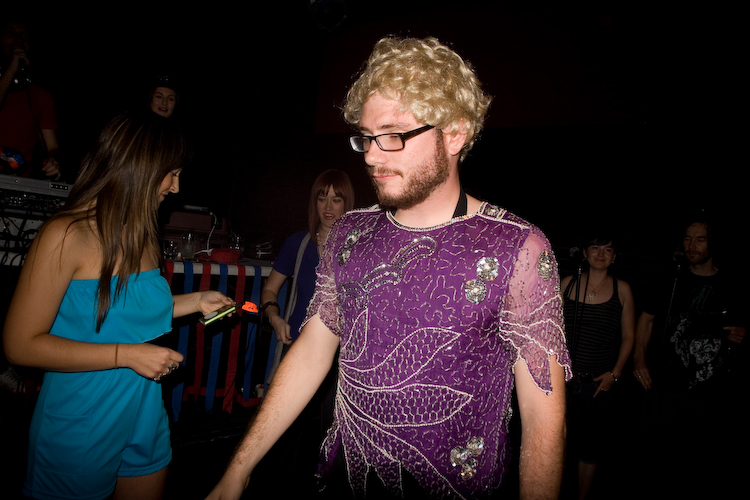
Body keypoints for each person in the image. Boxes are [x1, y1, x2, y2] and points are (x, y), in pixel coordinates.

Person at [207, 36, 571, 500]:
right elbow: (313, 349)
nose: (372, 156)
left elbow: (544, 421)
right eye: (366, 137)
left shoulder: (518, 248)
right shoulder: (349, 233)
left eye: (394, 135)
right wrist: (239, 469)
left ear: (454, 133)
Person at [2, 112, 234, 500]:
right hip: (82, 416)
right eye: (171, 173)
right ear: (140, 166)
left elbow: (127, 313)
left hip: (144, 408)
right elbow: (19, 345)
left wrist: (196, 301)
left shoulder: (143, 235)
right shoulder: (66, 235)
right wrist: (126, 355)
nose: (176, 187)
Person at [632, 211, 747, 498]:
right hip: (667, 387)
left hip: (709, 393)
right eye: (687, 239)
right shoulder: (670, 279)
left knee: (697, 466)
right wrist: (640, 360)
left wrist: (741, 334)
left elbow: (740, 328)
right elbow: (646, 318)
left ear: (712, 243)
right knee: (656, 462)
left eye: (700, 239)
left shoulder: (730, 283)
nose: (691, 245)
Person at [255, 169, 354, 497]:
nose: (328, 206)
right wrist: (274, 317)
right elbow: (269, 290)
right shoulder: (298, 243)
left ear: (347, 203)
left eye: (336, 199)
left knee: (332, 439)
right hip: (297, 349)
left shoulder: (357, 248)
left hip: (341, 358)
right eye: (322, 197)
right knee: (283, 434)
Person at [560, 235, 635, 500]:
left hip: (598, 385)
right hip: (564, 382)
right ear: (584, 253)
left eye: (607, 249)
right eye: (595, 248)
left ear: (614, 256)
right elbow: (551, 329)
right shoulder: (568, 284)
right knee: (557, 444)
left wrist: (616, 373)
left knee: (590, 449)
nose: (601, 254)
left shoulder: (621, 289)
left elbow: (629, 336)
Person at [0, 18, 61, 180]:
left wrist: (53, 160)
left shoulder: (40, 96)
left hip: (16, 184)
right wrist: (11, 70)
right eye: (10, 33)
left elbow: (52, 147)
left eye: (25, 36)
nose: (18, 40)